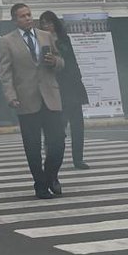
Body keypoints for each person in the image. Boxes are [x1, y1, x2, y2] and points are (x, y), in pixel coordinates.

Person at [0, 2, 66, 199]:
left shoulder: (45, 36)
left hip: (50, 97)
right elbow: (5, 73)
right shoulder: (7, 41)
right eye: (22, 16)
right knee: (32, 146)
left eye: (29, 14)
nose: (28, 18)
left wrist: (56, 62)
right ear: (14, 19)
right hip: (26, 99)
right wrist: (10, 96)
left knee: (58, 142)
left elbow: (61, 61)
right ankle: (40, 185)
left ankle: (51, 174)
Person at [39, 10, 90, 169]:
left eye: (50, 22)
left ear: (55, 24)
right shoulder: (39, 42)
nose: (47, 26)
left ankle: (78, 158)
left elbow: (72, 62)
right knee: (56, 128)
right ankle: (52, 158)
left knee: (77, 125)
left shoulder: (64, 39)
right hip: (54, 88)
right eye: (44, 23)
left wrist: (78, 80)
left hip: (71, 86)